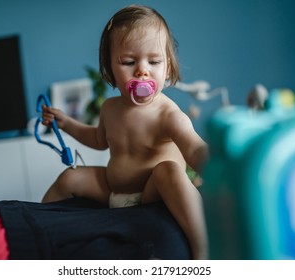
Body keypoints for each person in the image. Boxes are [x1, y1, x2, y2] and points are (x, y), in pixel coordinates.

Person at [41, 5, 209, 259]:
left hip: (150, 193)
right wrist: (66, 124)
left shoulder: (168, 114)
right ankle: (40, 229)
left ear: (168, 67)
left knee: (169, 170)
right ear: (110, 68)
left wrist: (220, 169)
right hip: (112, 190)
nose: (142, 70)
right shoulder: (110, 108)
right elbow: (98, 140)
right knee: (70, 177)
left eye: (154, 61)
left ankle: (203, 249)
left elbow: (194, 148)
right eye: (129, 62)